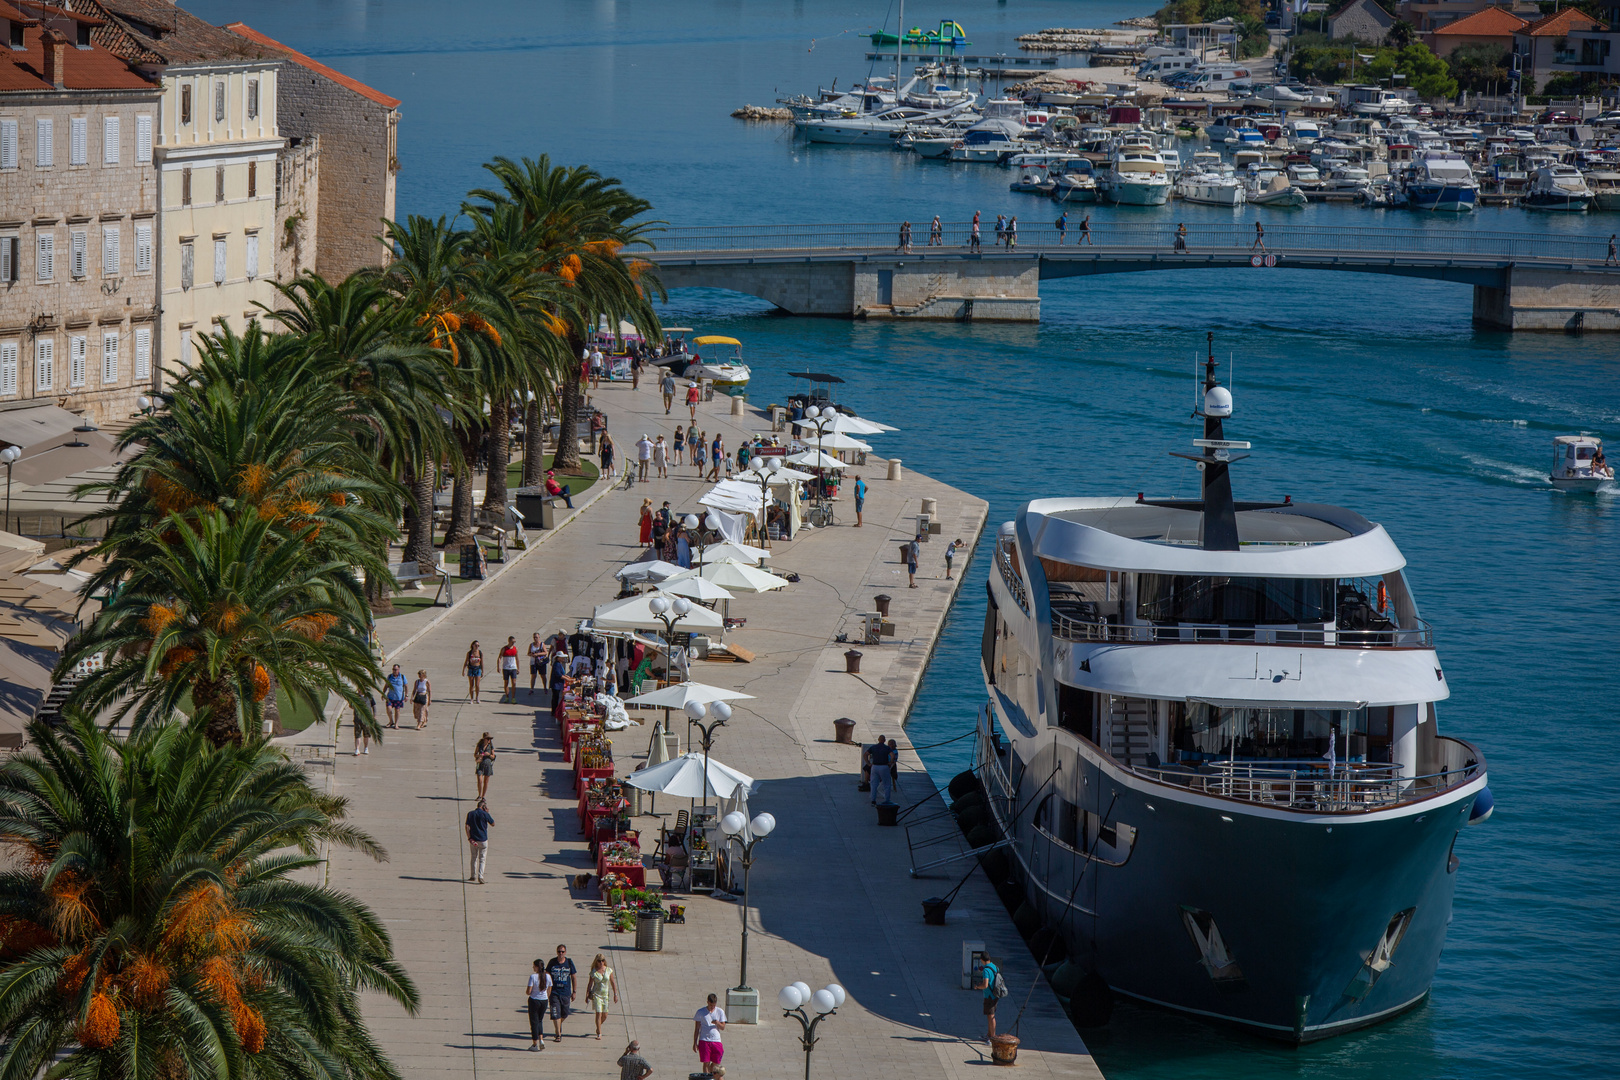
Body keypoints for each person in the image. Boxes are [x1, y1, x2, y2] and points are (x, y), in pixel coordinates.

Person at [546, 945, 578, 1042]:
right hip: (554, 992)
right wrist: (547, 991)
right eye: (559, 951)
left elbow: (573, 977)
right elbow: (547, 975)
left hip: (565, 992)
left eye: (562, 952)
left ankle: (558, 1025)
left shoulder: (569, 962)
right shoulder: (552, 962)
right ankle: (558, 1034)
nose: (561, 953)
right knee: (555, 1014)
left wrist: (574, 991)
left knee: (564, 1013)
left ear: (565, 952)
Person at [693, 993, 726, 1075]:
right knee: (706, 1062)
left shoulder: (720, 1011)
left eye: (714, 1005)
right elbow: (697, 1028)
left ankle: (710, 1073)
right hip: (704, 1040)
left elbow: (723, 1027)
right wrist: (695, 1043)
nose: (712, 1007)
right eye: (711, 1005)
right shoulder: (701, 1012)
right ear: (707, 1002)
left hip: (716, 1040)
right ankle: (707, 1077)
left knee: (716, 1062)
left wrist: (717, 1023)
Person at [587, 954, 619, 1040]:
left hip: (605, 995)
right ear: (596, 962)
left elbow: (612, 983)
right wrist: (587, 995)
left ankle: (598, 1027)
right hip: (597, 995)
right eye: (599, 961)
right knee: (598, 1013)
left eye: (602, 960)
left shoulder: (608, 970)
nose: (601, 962)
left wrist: (615, 994)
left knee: (605, 1015)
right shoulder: (594, 972)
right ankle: (599, 1033)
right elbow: (590, 984)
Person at [465, 797, 493, 884]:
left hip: (474, 839)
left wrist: (469, 837)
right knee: (482, 859)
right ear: (484, 807)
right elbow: (493, 823)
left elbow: (466, 826)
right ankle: (480, 876)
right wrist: (488, 813)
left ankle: (473, 875)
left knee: (473, 857)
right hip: (483, 839)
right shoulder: (485, 814)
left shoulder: (470, 814)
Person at [975, 954, 1002, 1042]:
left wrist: (978, 987)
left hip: (989, 996)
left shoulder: (986, 970)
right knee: (990, 1015)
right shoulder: (994, 967)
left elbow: (985, 985)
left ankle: (992, 1038)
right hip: (995, 994)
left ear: (982, 960)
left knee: (991, 1016)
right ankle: (989, 1035)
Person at [526, 960, 551, 1052]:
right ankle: (541, 1039)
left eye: (534, 966)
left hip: (534, 1000)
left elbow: (528, 991)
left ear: (537, 967)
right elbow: (549, 989)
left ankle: (535, 1044)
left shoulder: (533, 977)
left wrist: (530, 992)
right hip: (544, 1000)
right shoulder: (547, 976)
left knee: (534, 1022)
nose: (533, 968)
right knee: (540, 1020)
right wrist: (546, 997)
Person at [869, 735, 895, 805]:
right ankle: (887, 800)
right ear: (884, 740)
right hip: (884, 766)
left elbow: (865, 754)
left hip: (874, 766)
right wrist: (890, 763)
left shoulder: (873, 747)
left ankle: (873, 800)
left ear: (878, 740)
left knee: (874, 784)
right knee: (887, 784)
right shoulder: (886, 748)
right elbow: (892, 755)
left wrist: (868, 763)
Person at [473, 731, 496, 799]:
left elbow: (493, 756)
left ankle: (483, 796)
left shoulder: (490, 746)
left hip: (488, 764)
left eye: (489, 739)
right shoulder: (480, 745)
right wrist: (480, 755)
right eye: (487, 739)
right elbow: (475, 754)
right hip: (480, 764)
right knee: (480, 780)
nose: (489, 740)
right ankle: (479, 795)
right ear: (484, 739)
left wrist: (488, 754)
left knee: (486, 781)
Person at [384, 664, 407, 728]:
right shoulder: (389, 677)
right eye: (393, 669)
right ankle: (391, 721)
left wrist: (406, 695)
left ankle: (396, 724)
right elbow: (386, 686)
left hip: (398, 697)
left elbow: (406, 686)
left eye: (396, 669)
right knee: (388, 708)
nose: (394, 671)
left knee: (397, 710)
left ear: (398, 670)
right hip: (390, 697)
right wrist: (383, 693)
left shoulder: (402, 677)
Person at [498, 635, 520, 702]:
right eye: (512, 641)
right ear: (509, 641)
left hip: (513, 667)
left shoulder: (515, 649)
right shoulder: (504, 649)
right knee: (506, 682)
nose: (513, 643)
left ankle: (513, 698)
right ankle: (507, 697)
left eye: (514, 641)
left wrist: (518, 668)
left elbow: (517, 658)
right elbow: (499, 657)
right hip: (506, 667)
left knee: (514, 682)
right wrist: (498, 666)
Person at [549, 650, 570, 719]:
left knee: (556, 698)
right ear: (558, 658)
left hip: (557, 684)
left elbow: (561, 674)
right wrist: (567, 679)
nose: (563, 658)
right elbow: (558, 675)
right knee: (555, 698)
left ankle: (555, 711)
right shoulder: (557, 664)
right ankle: (554, 711)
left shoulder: (558, 664)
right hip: (556, 684)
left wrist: (566, 676)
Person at [352, 691, 375, 756]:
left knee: (366, 735)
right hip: (357, 719)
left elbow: (373, 705)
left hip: (366, 720)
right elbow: (351, 706)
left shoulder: (369, 696)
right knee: (357, 735)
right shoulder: (355, 696)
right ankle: (357, 749)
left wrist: (374, 715)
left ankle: (366, 748)